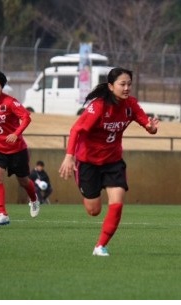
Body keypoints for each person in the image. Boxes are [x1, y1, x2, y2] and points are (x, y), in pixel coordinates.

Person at [63, 68, 159, 257]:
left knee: (117, 202)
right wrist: (69, 156)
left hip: (113, 162)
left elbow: (146, 124)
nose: (126, 88)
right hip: (87, 162)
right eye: (122, 84)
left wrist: (151, 127)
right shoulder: (98, 106)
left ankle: (100, 246)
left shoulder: (130, 105)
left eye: (129, 84)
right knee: (94, 211)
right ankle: (86, 186)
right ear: (110, 86)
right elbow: (76, 130)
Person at [0, 71, 38, 226]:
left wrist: (16, 134)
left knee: (23, 181)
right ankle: (2, 213)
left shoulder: (10, 102)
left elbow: (26, 117)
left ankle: (34, 199)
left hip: (17, 149)